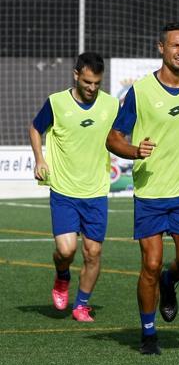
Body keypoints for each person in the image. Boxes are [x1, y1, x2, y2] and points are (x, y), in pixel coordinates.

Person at [106, 22, 179, 355]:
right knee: (150, 264)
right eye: (175, 46)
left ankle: (171, 283)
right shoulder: (141, 91)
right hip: (151, 193)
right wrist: (135, 151)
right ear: (160, 48)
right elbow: (113, 138)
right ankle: (149, 333)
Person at [29, 52, 119, 323]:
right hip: (64, 190)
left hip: (96, 192)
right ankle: (62, 276)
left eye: (97, 83)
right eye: (88, 82)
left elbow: (120, 135)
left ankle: (81, 305)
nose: (92, 88)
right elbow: (35, 128)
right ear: (76, 75)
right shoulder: (56, 103)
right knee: (66, 251)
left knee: (93, 252)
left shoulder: (111, 105)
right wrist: (40, 159)